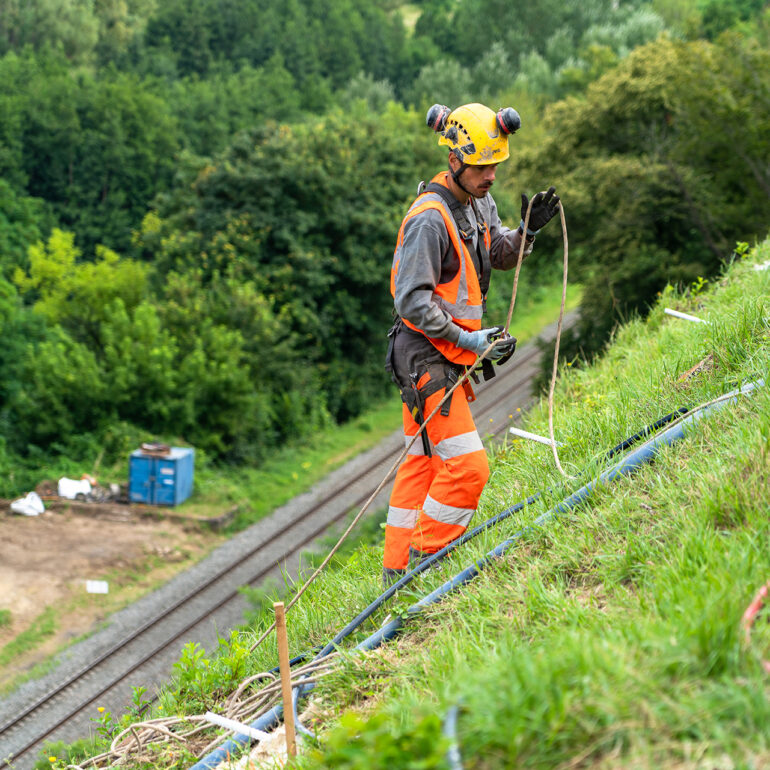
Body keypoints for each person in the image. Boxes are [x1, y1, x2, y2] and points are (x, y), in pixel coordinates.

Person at [383, 102, 560, 585]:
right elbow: (411, 302)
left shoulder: (479, 201)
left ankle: (395, 574)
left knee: (421, 466)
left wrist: (526, 231)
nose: (492, 176)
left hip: (444, 353)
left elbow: (497, 253)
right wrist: (470, 339)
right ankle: (423, 566)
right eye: (482, 166)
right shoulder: (428, 219)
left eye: (496, 164)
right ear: (455, 160)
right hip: (424, 355)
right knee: (468, 469)